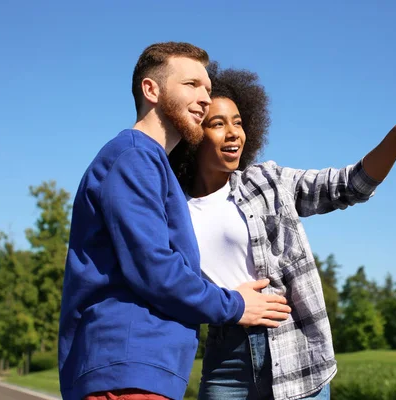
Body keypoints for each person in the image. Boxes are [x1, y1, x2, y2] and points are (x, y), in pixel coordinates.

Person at [169, 62, 396, 400]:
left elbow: (351, 185)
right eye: (218, 124)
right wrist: (226, 302)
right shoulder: (174, 207)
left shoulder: (267, 181)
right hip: (225, 359)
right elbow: (169, 285)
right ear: (192, 134)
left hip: (295, 351)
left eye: (238, 122)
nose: (234, 133)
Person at [58, 43, 291, 400]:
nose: (204, 98)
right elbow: (155, 269)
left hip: (142, 370)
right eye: (191, 84)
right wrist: (236, 305)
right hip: (128, 371)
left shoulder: (150, 163)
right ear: (151, 90)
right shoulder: (134, 157)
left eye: (208, 89)